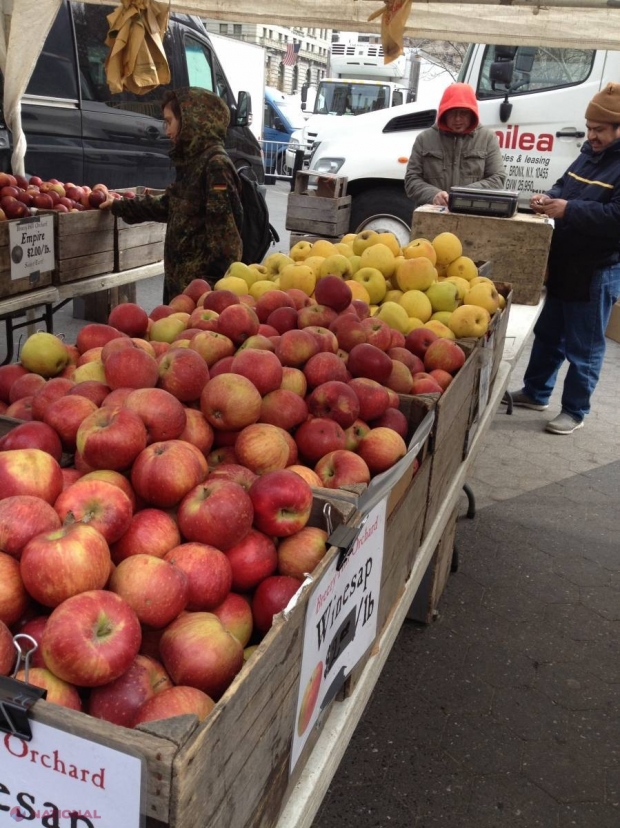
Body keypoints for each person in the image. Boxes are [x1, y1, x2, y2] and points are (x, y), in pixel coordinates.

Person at [509, 83, 620, 435]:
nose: (591, 136)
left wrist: (568, 210)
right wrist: (550, 197)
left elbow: (615, 218)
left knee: (583, 346)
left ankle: (575, 410)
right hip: (564, 261)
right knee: (548, 333)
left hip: (596, 270)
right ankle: (536, 392)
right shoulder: (588, 153)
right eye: (589, 128)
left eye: (599, 130)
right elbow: (564, 185)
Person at [103, 87, 243, 303]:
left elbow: (225, 241)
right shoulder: (193, 162)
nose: (167, 131)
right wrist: (119, 205)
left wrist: (209, 294)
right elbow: (168, 205)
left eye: (169, 122)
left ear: (191, 122)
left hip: (199, 294)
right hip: (180, 286)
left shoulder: (215, 166)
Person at [404, 82, 506, 208]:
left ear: (472, 114)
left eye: (463, 113)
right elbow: (411, 179)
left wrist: (463, 194)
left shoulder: (487, 138)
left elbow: (497, 178)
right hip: (432, 214)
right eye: (452, 113)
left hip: (471, 214)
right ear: (443, 113)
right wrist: (433, 195)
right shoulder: (424, 139)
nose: (457, 119)